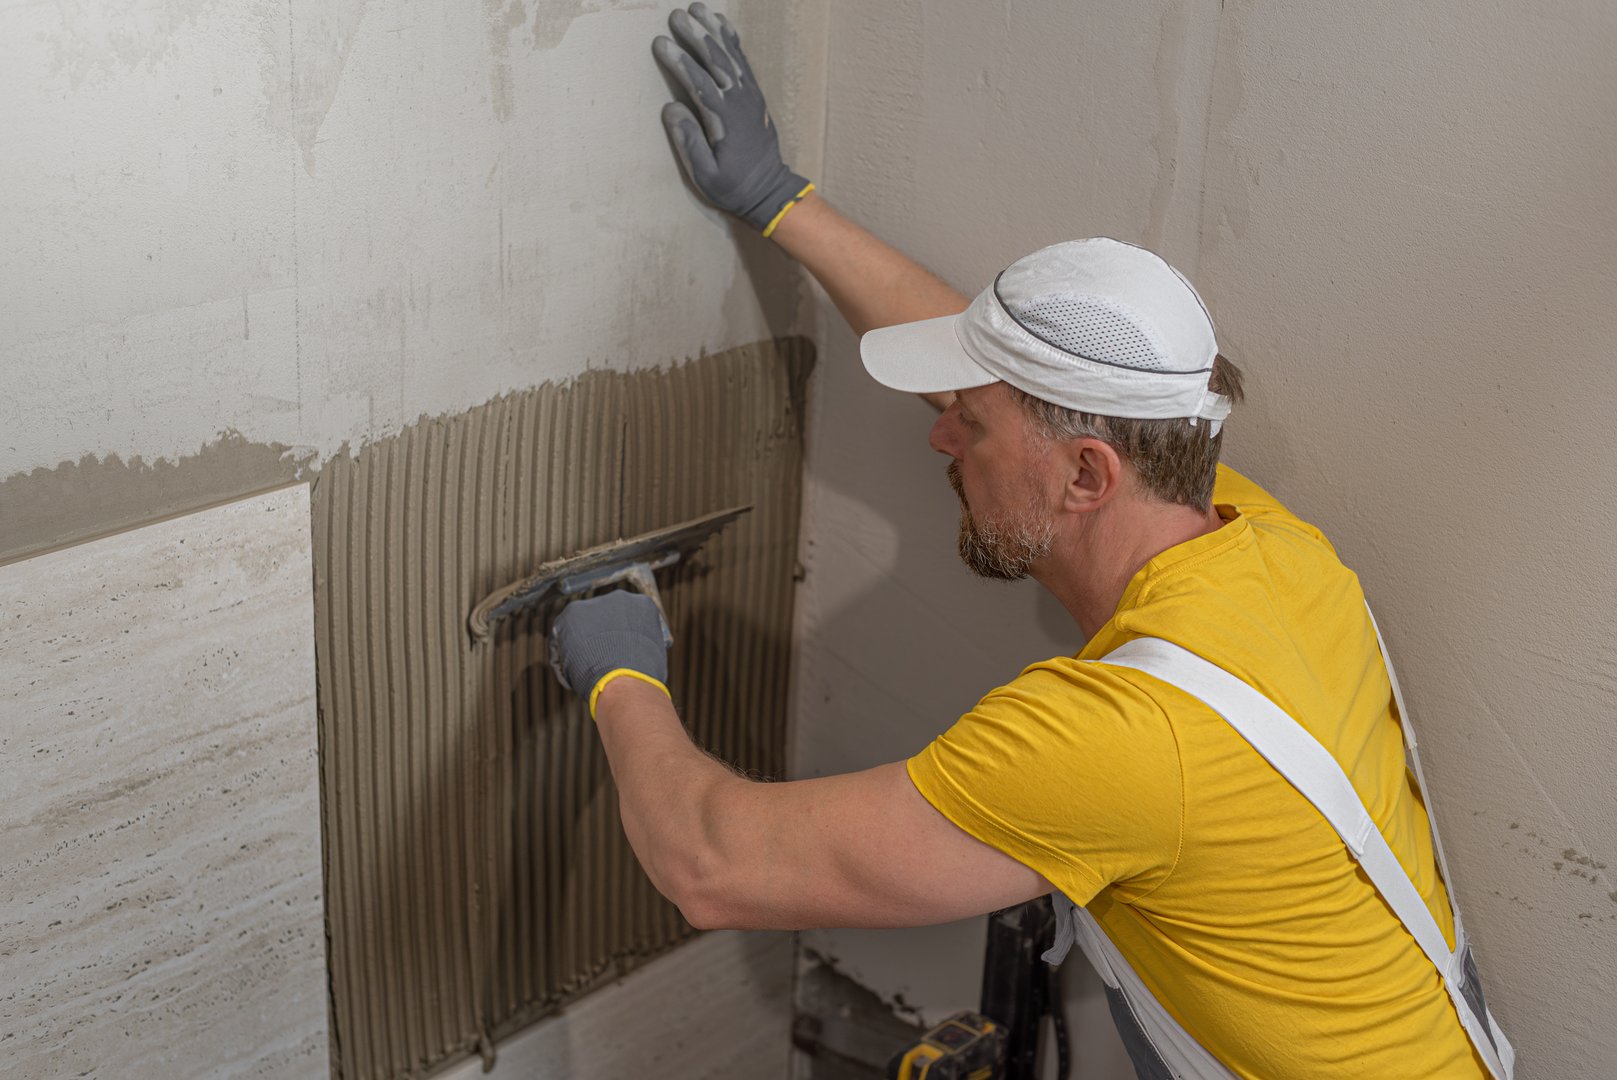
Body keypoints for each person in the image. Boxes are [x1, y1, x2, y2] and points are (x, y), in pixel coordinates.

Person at [547, 6, 1513, 1078]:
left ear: (1089, 474)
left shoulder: (1112, 747)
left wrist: (620, 674)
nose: (940, 433)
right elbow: (1007, 379)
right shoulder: (1268, 549)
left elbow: (712, 865)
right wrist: (782, 202)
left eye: (973, 421)